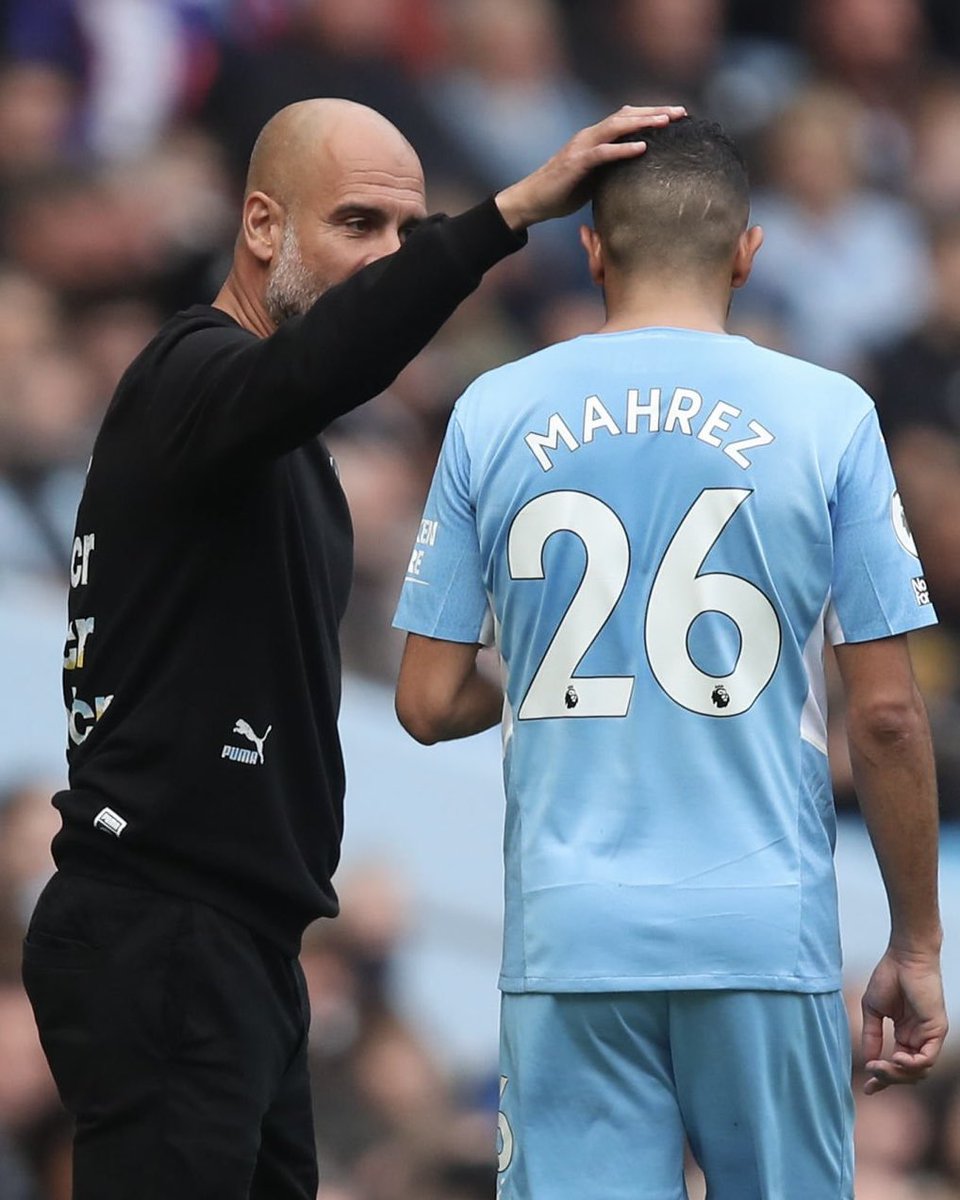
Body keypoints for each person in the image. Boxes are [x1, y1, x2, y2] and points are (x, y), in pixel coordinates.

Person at [20, 96, 687, 1200]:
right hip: (164, 926)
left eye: (405, 235)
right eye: (359, 224)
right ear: (262, 225)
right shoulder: (189, 375)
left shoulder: (285, 455)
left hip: (242, 944)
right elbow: (327, 364)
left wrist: (553, 671)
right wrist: (508, 212)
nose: (386, 258)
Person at [393, 117, 948, 1198]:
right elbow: (885, 718)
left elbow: (424, 698)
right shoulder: (830, 416)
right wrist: (916, 944)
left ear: (593, 251)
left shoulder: (491, 409)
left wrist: (564, 673)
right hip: (759, 928)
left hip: (569, 932)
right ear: (747, 253)